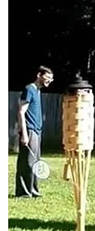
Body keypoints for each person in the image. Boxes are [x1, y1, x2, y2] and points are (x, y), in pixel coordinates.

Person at [15, 66, 53, 198]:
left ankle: (33, 190)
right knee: (27, 162)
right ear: (39, 75)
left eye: (51, 79)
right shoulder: (29, 89)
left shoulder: (37, 91)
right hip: (29, 130)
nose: (49, 80)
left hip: (37, 131)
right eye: (47, 77)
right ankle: (23, 192)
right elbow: (21, 111)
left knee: (36, 162)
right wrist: (24, 134)